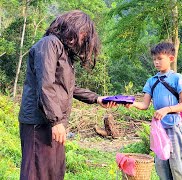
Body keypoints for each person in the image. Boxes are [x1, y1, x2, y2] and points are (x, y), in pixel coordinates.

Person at [18, 10, 115, 180]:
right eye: (83, 32)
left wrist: (96, 98)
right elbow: (45, 85)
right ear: (71, 26)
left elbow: (68, 87)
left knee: (54, 172)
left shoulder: (63, 50)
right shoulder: (49, 44)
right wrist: (55, 121)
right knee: (37, 173)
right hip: (39, 123)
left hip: (52, 122)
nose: (83, 38)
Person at [127, 42, 182, 179]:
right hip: (159, 128)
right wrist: (130, 104)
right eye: (154, 59)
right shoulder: (151, 81)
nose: (156, 62)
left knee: (177, 163)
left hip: (174, 126)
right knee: (161, 164)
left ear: (171, 59)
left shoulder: (177, 78)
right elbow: (145, 105)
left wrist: (167, 109)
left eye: (160, 58)